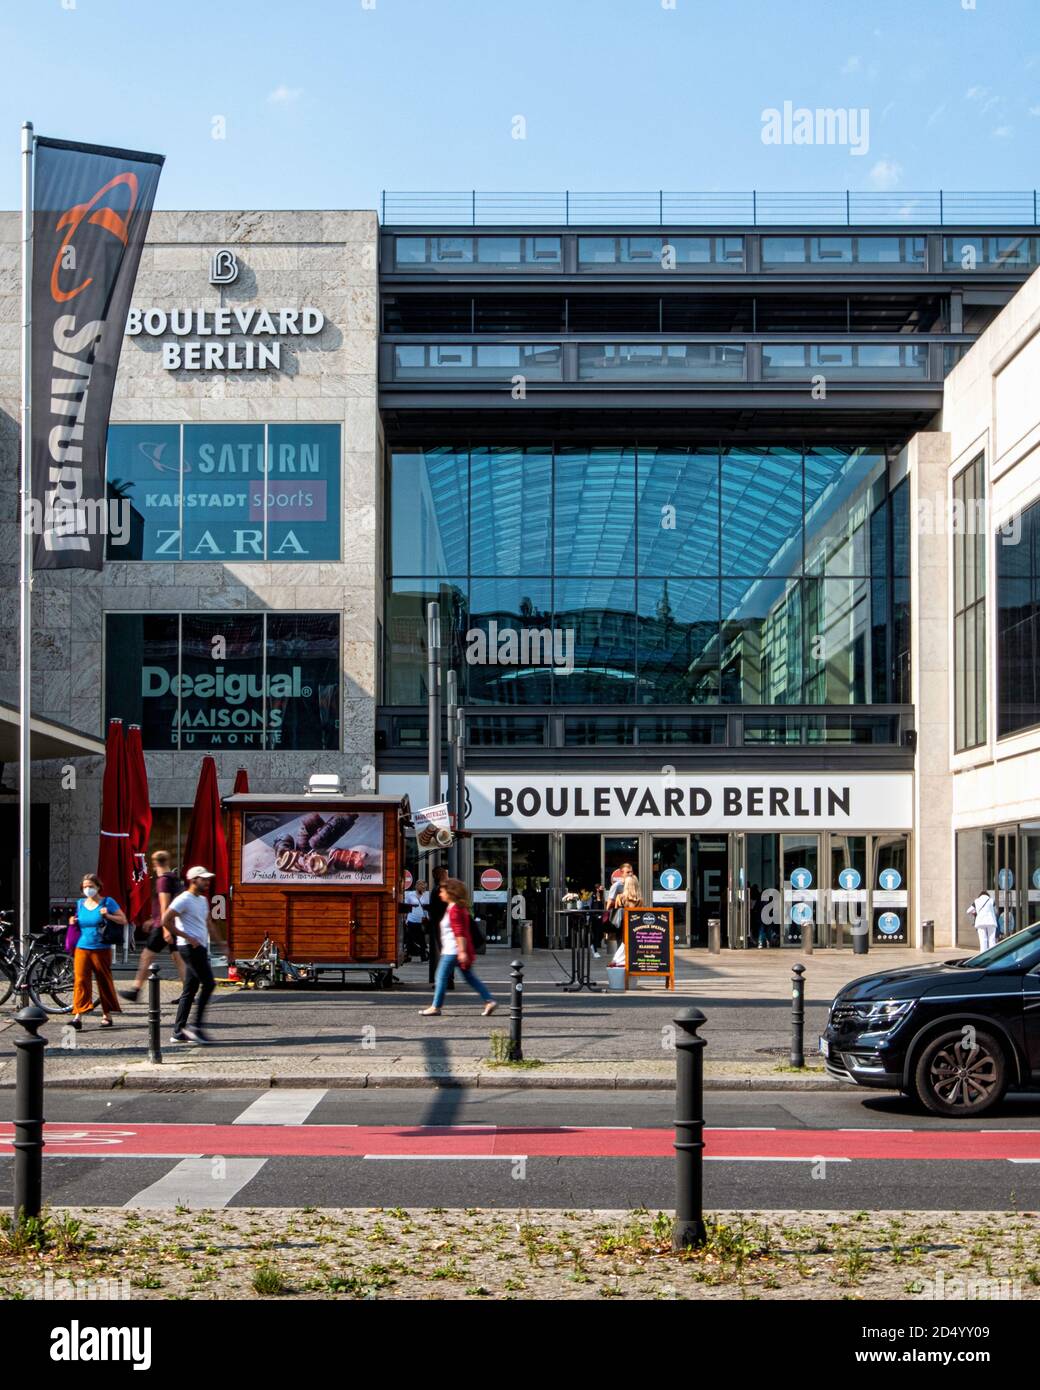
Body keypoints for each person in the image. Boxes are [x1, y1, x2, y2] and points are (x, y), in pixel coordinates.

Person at [420, 878, 496, 1017]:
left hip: (452, 951)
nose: (440, 894)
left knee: (441, 977)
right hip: (457, 950)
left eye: (442, 891)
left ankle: (436, 1006)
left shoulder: (454, 909)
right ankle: (489, 1000)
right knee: (470, 978)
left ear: (450, 892)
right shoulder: (458, 908)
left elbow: (460, 932)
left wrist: (461, 951)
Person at [160, 866, 216, 1044]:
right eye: (203, 879)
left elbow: (208, 923)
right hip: (189, 947)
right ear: (193, 880)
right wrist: (186, 936)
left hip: (199, 947)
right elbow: (166, 920)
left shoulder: (202, 900)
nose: (207, 882)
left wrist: (221, 943)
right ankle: (196, 1028)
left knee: (190, 989)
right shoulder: (183, 899)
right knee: (208, 984)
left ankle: (178, 1032)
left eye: (207, 879)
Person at [120, 850, 186, 1002]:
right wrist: (153, 920)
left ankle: (136, 989)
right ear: (168, 861)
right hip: (171, 923)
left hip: (164, 924)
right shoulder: (174, 878)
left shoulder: (163, 880)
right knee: (178, 958)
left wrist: (164, 928)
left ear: (155, 863)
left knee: (146, 956)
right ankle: (187, 992)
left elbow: (165, 905)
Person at [68, 874, 126, 1030]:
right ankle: (78, 1015)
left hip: (101, 948)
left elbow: (123, 920)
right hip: (82, 947)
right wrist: (73, 922)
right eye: (85, 887)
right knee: (80, 981)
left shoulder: (108, 902)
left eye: (91, 886)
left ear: (98, 887)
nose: (88, 889)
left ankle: (107, 1015)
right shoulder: (80, 904)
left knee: (103, 980)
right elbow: (79, 923)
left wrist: (108, 915)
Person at [403, 879, 430, 961]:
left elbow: (426, 909)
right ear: (418, 887)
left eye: (425, 888)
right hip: (411, 919)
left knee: (422, 939)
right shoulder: (410, 895)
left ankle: (423, 955)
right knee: (409, 939)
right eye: (423, 888)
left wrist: (427, 917)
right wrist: (405, 918)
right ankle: (408, 955)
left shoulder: (425, 896)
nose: (424, 890)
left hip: (421, 920)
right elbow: (406, 907)